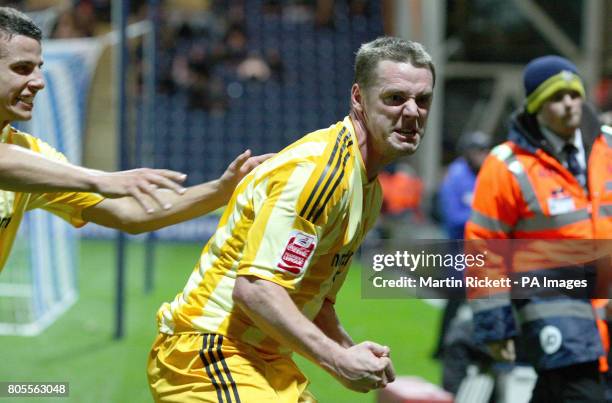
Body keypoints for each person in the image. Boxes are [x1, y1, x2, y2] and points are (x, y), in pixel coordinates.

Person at [147, 36, 435, 402]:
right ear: (358, 98)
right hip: (207, 352)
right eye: (395, 98)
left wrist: (350, 351)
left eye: (422, 100)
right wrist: (337, 361)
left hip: (262, 359)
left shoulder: (368, 188)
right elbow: (255, 289)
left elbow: (312, 298)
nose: (412, 112)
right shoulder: (323, 172)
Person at [0, 7, 269, 272]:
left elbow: (130, 213)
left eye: (38, 68)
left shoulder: (32, 155)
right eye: (22, 69)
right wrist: (101, 179)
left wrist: (222, 190)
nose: (39, 81)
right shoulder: (29, 161)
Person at [466, 55, 612, 402]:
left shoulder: (608, 145)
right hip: (553, 304)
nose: (568, 105)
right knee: (581, 395)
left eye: (574, 95)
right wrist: (494, 326)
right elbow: (484, 247)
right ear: (534, 106)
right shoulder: (507, 165)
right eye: (555, 98)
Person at [435, 130, 492, 394]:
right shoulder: (456, 177)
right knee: (455, 300)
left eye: (484, 151)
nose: (482, 156)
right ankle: (444, 347)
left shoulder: (486, 175)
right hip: (460, 250)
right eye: (477, 151)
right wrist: (482, 216)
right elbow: (454, 217)